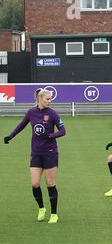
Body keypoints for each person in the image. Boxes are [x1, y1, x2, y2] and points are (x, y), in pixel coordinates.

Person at [4, 88, 66, 224]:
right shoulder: (31, 112)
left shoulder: (53, 114)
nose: (50, 101)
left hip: (50, 153)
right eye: (47, 99)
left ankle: (54, 214)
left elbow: (63, 131)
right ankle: (41, 209)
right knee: (35, 183)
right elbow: (21, 125)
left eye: (50, 99)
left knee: (50, 183)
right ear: (39, 99)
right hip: (36, 153)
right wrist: (10, 136)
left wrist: (51, 135)